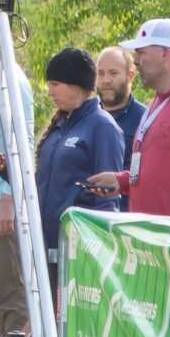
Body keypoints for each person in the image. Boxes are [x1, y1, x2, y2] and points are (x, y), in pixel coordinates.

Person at [7, 47, 126, 297]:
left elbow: (107, 199)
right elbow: (45, 182)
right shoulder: (60, 125)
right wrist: (4, 171)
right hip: (45, 248)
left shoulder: (102, 127)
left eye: (56, 84)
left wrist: (95, 252)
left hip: (78, 251)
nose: (50, 92)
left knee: (70, 330)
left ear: (76, 84)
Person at [87, 19, 170, 217]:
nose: (135, 60)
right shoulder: (157, 102)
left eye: (141, 52)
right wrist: (122, 181)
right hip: (151, 241)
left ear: (165, 54)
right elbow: (162, 171)